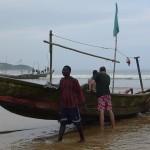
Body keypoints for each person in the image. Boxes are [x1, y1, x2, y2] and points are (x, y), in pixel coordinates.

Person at [57, 65, 85, 142]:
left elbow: (80, 92)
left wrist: (83, 104)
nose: (63, 72)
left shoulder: (74, 81)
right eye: (63, 70)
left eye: (65, 70)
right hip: (64, 106)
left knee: (77, 123)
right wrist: (60, 106)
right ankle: (59, 139)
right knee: (62, 123)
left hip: (73, 106)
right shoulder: (61, 81)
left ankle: (82, 138)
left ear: (69, 72)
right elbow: (61, 93)